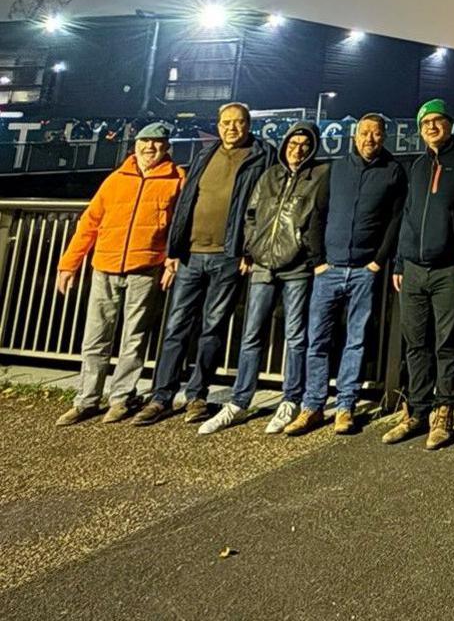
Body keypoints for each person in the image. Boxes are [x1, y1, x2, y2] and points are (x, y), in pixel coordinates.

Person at [134, 103, 274, 425]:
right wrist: (174, 247)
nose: (231, 129)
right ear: (219, 125)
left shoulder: (262, 155)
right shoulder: (204, 155)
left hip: (228, 256)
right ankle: (161, 397)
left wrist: (247, 249)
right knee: (175, 328)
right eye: (226, 123)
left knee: (212, 328)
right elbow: (186, 201)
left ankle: (198, 394)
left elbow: (264, 206)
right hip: (190, 254)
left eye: (238, 123)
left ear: (248, 125)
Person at [199, 122, 329, 435]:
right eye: (292, 143)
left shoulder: (321, 176)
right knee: (251, 335)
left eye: (303, 144)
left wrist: (308, 252)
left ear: (312, 147)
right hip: (262, 265)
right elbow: (251, 215)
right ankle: (240, 400)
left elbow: (319, 216)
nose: (297, 149)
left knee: (296, 335)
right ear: (284, 145)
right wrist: (250, 249)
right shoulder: (270, 175)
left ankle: (291, 399)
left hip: (297, 266)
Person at [54, 122, 185, 425]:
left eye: (157, 142)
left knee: (134, 338)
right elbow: (90, 223)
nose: (149, 147)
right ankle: (86, 399)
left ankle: (120, 398)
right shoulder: (116, 180)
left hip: (146, 268)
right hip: (105, 265)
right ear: (135, 145)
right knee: (95, 337)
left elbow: (181, 226)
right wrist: (68, 264)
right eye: (144, 141)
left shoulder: (177, 180)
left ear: (167, 148)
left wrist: (171, 260)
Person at [381, 99, 454, 450]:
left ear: (450, 123)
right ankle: (415, 410)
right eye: (425, 122)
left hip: (449, 268)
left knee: (447, 343)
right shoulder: (416, 165)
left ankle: (443, 410)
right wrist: (399, 261)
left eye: (437, 120)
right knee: (416, 343)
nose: (431, 126)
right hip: (413, 268)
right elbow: (408, 216)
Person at [298, 114, 406, 435]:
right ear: (354, 136)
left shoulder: (393, 172)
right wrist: (318, 261)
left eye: (375, 133)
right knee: (317, 339)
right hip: (328, 269)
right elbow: (319, 214)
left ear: (384, 137)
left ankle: (345, 406)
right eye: (364, 133)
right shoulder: (337, 168)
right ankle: (312, 405)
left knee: (355, 342)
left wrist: (377, 262)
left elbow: (395, 221)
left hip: (363, 271)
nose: (369, 138)